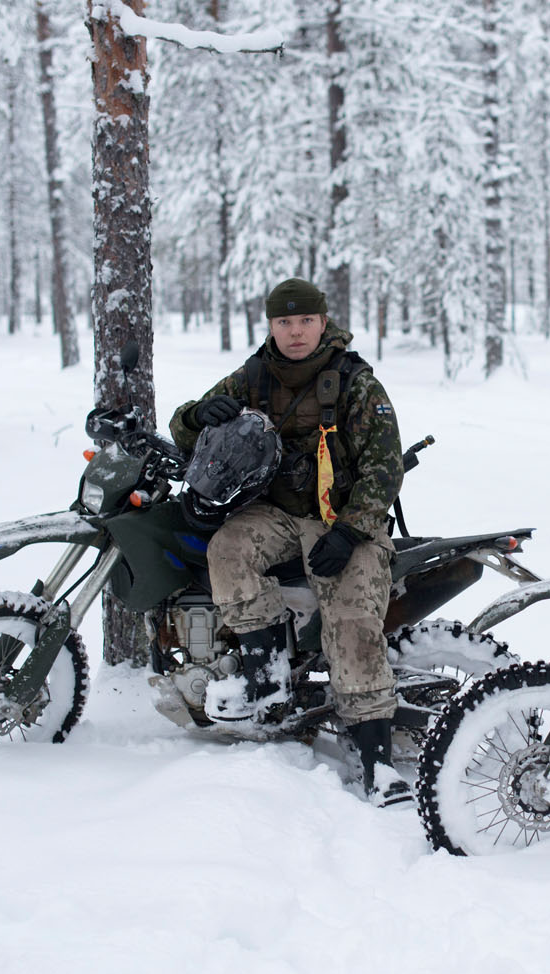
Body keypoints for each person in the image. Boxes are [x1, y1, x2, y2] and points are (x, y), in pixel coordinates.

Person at [168, 277, 410, 808]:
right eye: (284, 322)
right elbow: (187, 428)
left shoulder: (355, 383)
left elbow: (384, 467)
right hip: (274, 513)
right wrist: (195, 417)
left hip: (342, 517)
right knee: (225, 550)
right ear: (271, 326)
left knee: (351, 622)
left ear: (323, 323)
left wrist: (351, 529)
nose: (295, 332)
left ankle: (378, 762)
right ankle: (267, 674)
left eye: (305, 321)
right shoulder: (253, 375)